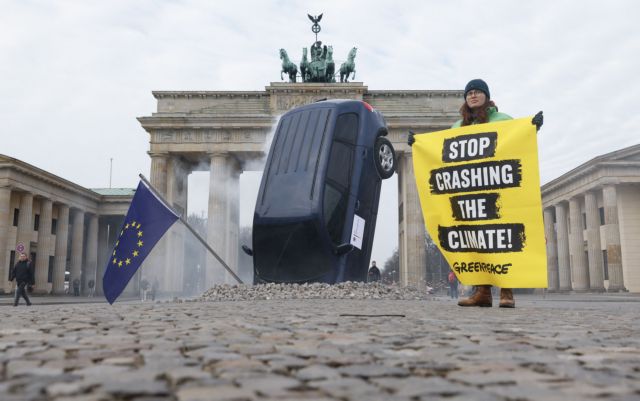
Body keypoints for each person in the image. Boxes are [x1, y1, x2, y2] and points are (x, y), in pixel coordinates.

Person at [408, 78, 543, 308]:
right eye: (469, 93)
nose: (473, 95)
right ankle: (482, 292)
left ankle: (507, 292)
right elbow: (441, 152)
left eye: (478, 92)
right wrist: (418, 145)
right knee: (475, 241)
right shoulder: (457, 127)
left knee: (501, 239)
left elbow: (517, 139)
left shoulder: (502, 119)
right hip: (469, 194)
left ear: (486, 96)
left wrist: (533, 127)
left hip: (496, 190)